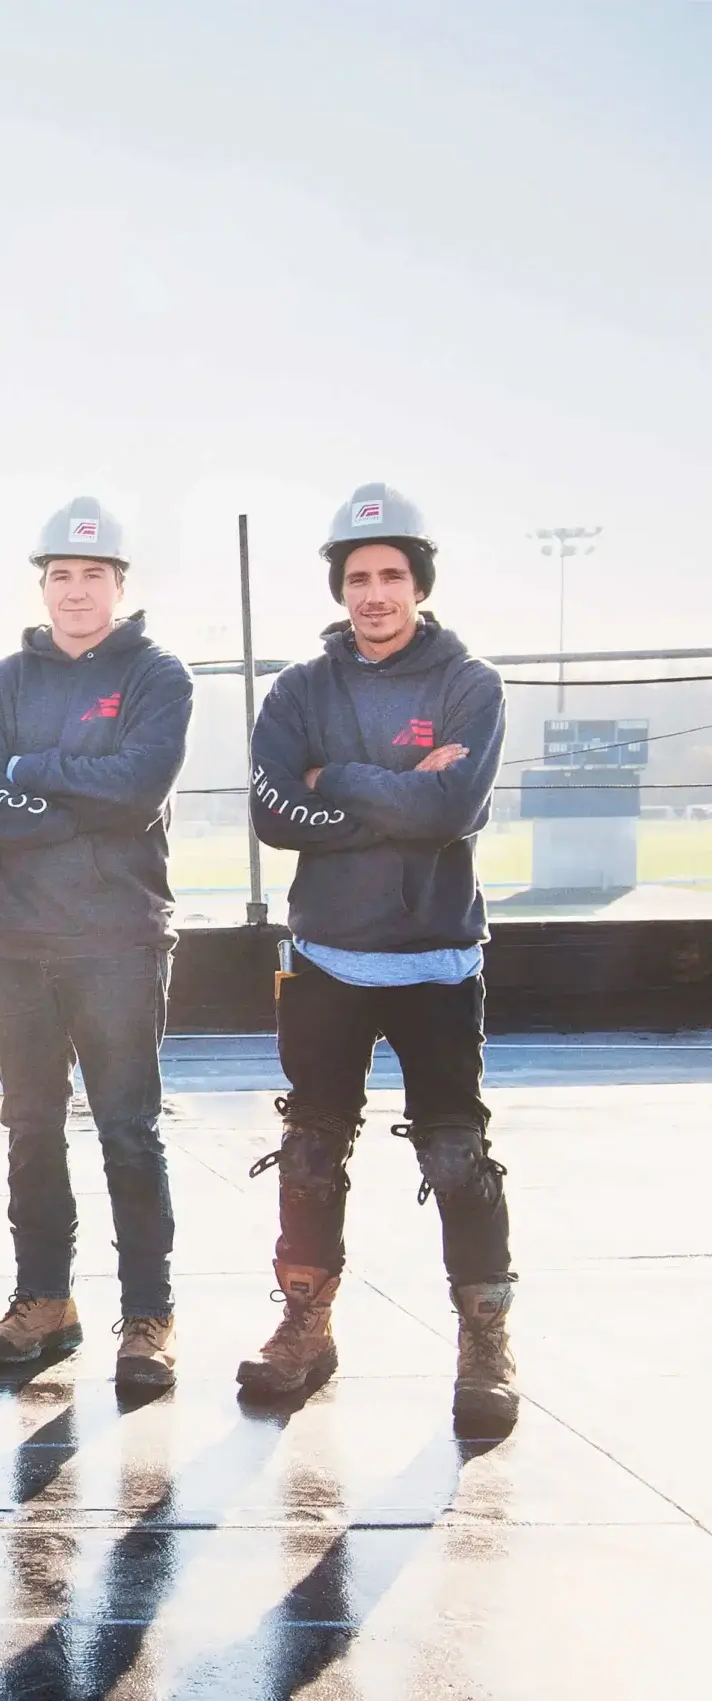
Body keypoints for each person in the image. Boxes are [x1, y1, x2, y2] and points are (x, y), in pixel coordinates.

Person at [235, 482, 516, 1437]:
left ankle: (486, 1340)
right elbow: (275, 813)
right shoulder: (302, 688)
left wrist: (335, 784)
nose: (375, 592)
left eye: (392, 574)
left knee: (456, 1148)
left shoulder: (469, 683)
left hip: (438, 961)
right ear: (339, 587)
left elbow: (451, 811)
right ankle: (305, 1327)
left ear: (419, 581)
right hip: (327, 960)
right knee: (311, 1145)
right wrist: (395, 786)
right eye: (358, 576)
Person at [0, 498, 196, 1392]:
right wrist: (75, 804)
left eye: (94, 574)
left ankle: (148, 1316)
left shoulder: (158, 678)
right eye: (62, 574)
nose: (77, 589)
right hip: (15, 942)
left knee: (129, 1132)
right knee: (30, 1131)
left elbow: (138, 789)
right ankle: (45, 1302)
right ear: (42, 583)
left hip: (119, 942)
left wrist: (33, 775)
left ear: (121, 585)